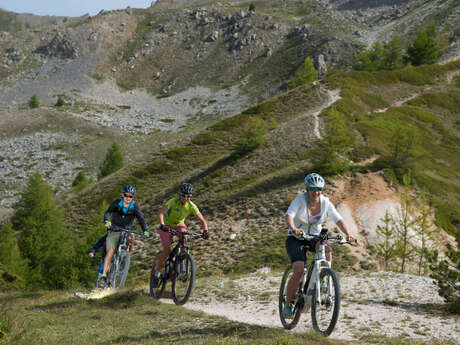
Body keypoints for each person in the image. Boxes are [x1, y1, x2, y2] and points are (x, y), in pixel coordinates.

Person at [283, 173, 355, 317]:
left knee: (327, 249)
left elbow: (338, 219)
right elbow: (289, 215)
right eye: (313, 188)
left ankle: (324, 277)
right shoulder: (300, 200)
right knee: (298, 270)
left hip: (314, 236)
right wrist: (294, 229)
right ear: (307, 189)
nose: (316, 191)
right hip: (296, 237)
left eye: (319, 189)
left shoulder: (325, 202)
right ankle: (289, 303)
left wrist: (348, 234)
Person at [151, 182, 209, 287]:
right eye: (183, 195)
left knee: (184, 236)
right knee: (167, 250)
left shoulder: (191, 205)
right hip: (167, 225)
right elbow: (160, 213)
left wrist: (205, 231)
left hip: (179, 224)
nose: (186, 198)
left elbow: (203, 220)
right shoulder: (173, 202)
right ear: (180, 194)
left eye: (188, 196)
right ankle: (157, 273)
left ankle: (181, 259)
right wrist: (162, 225)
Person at [99, 185, 149, 288]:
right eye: (126, 195)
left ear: (132, 197)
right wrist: (107, 221)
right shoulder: (117, 203)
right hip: (114, 230)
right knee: (111, 250)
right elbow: (108, 212)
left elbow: (141, 218)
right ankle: (103, 276)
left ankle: (125, 258)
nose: (128, 198)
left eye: (130, 196)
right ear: (122, 195)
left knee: (130, 240)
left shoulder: (135, 207)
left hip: (126, 231)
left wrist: (145, 230)